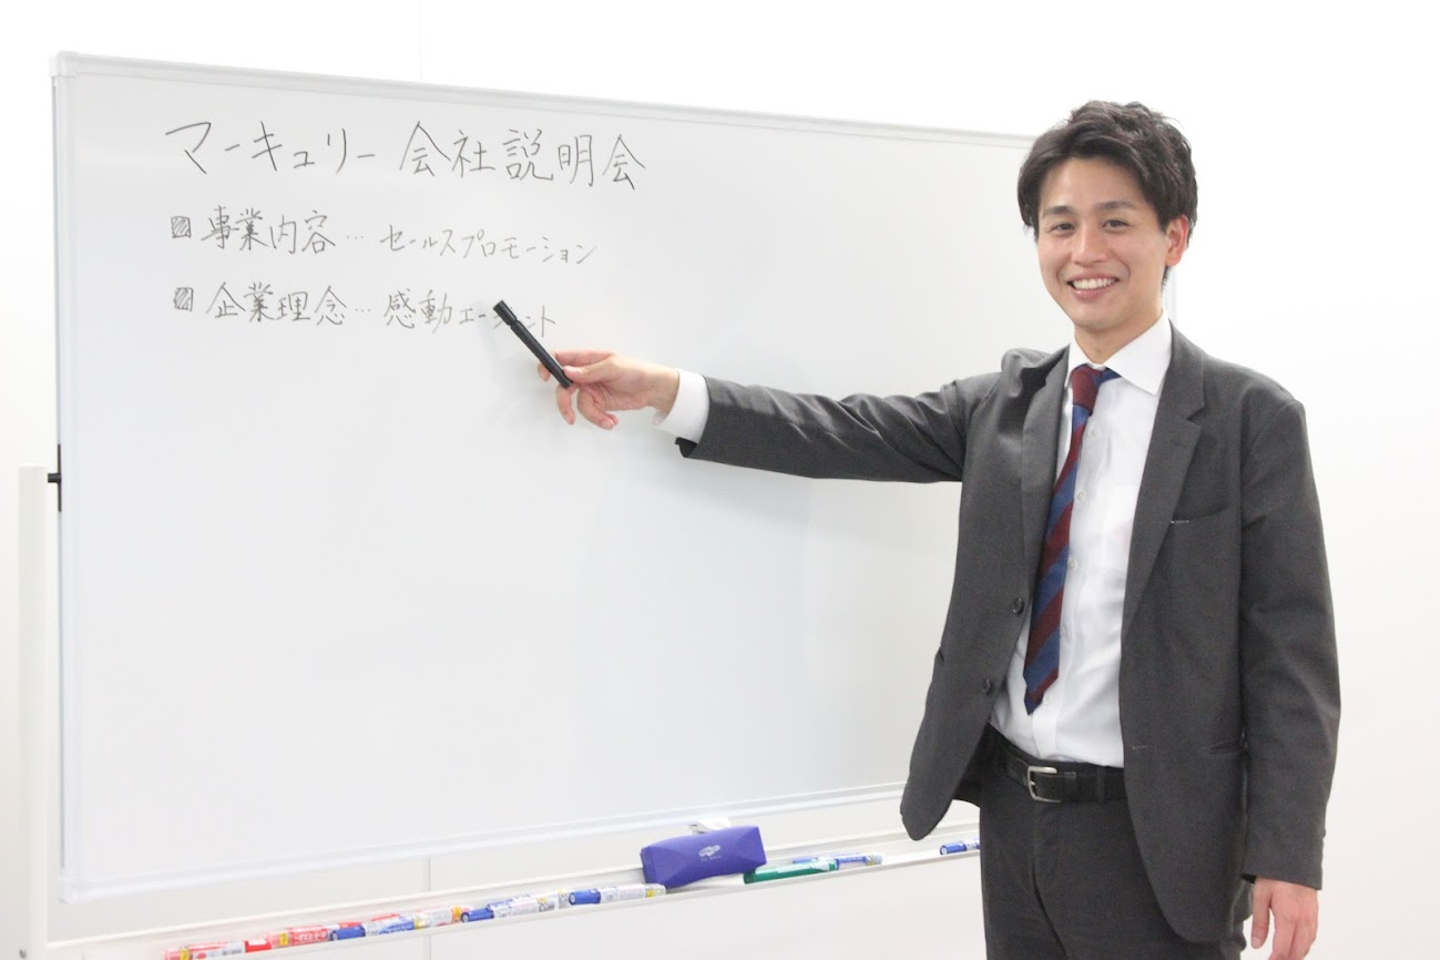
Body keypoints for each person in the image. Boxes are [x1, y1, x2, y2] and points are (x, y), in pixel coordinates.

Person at [540, 101, 1339, 960]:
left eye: (1116, 223)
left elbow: (1290, 657)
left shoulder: (1249, 421)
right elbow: (840, 430)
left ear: (1174, 237)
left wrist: (1288, 853)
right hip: (1016, 822)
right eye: (1060, 225)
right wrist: (667, 391)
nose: (1084, 252)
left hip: (1161, 840)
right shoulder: (1009, 406)